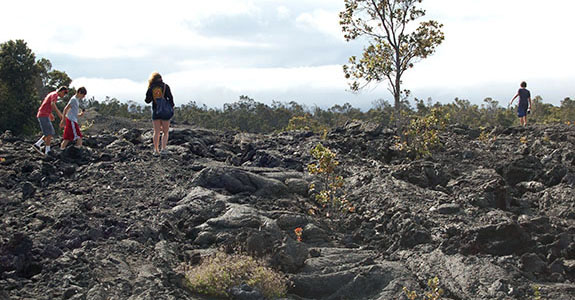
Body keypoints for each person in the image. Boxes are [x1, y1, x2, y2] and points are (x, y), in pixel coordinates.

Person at [144, 71, 174, 156]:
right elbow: (171, 98)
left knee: (156, 132)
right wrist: (171, 107)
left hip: (156, 111)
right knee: (165, 132)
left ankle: (156, 150)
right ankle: (163, 149)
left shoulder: (151, 88)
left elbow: (147, 100)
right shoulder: (165, 86)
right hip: (165, 112)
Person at [32, 86, 68, 155]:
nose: (64, 95)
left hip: (44, 114)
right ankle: (47, 151)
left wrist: (50, 114)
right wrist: (59, 114)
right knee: (49, 133)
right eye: (64, 93)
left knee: (48, 132)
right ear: (62, 91)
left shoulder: (51, 94)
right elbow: (52, 104)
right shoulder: (55, 94)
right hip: (43, 115)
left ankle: (37, 145)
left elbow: (46, 104)